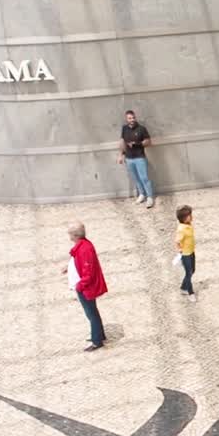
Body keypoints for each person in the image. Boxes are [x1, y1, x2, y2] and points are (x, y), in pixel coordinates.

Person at [66, 222, 109, 352]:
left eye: (69, 233)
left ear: (75, 235)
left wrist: (80, 286)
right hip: (84, 286)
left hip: (86, 288)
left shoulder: (85, 249)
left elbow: (88, 273)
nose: (68, 235)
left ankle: (97, 341)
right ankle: (99, 335)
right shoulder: (84, 245)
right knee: (92, 312)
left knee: (91, 313)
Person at [118, 110, 154, 208]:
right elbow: (122, 142)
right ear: (126, 119)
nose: (132, 120)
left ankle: (150, 197)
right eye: (130, 118)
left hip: (139, 158)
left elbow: (149, 142)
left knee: (144, 178)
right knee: (136, 178)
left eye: (133, 117)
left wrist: (136, 144)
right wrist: (121, 155)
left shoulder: (141, 129)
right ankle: (142, 194)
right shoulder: (124, 129)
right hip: (129, 159)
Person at [176, 205, 197, 303]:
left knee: (192, 270)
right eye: (189, 215)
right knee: (188, 273)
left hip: (191, 251)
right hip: (186, 254)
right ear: (184, 218)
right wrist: (180, 251)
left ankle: (183, 287)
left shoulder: (189, 225)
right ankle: (190, 292)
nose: (191, 217)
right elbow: (177, 241)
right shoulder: (181, 229)